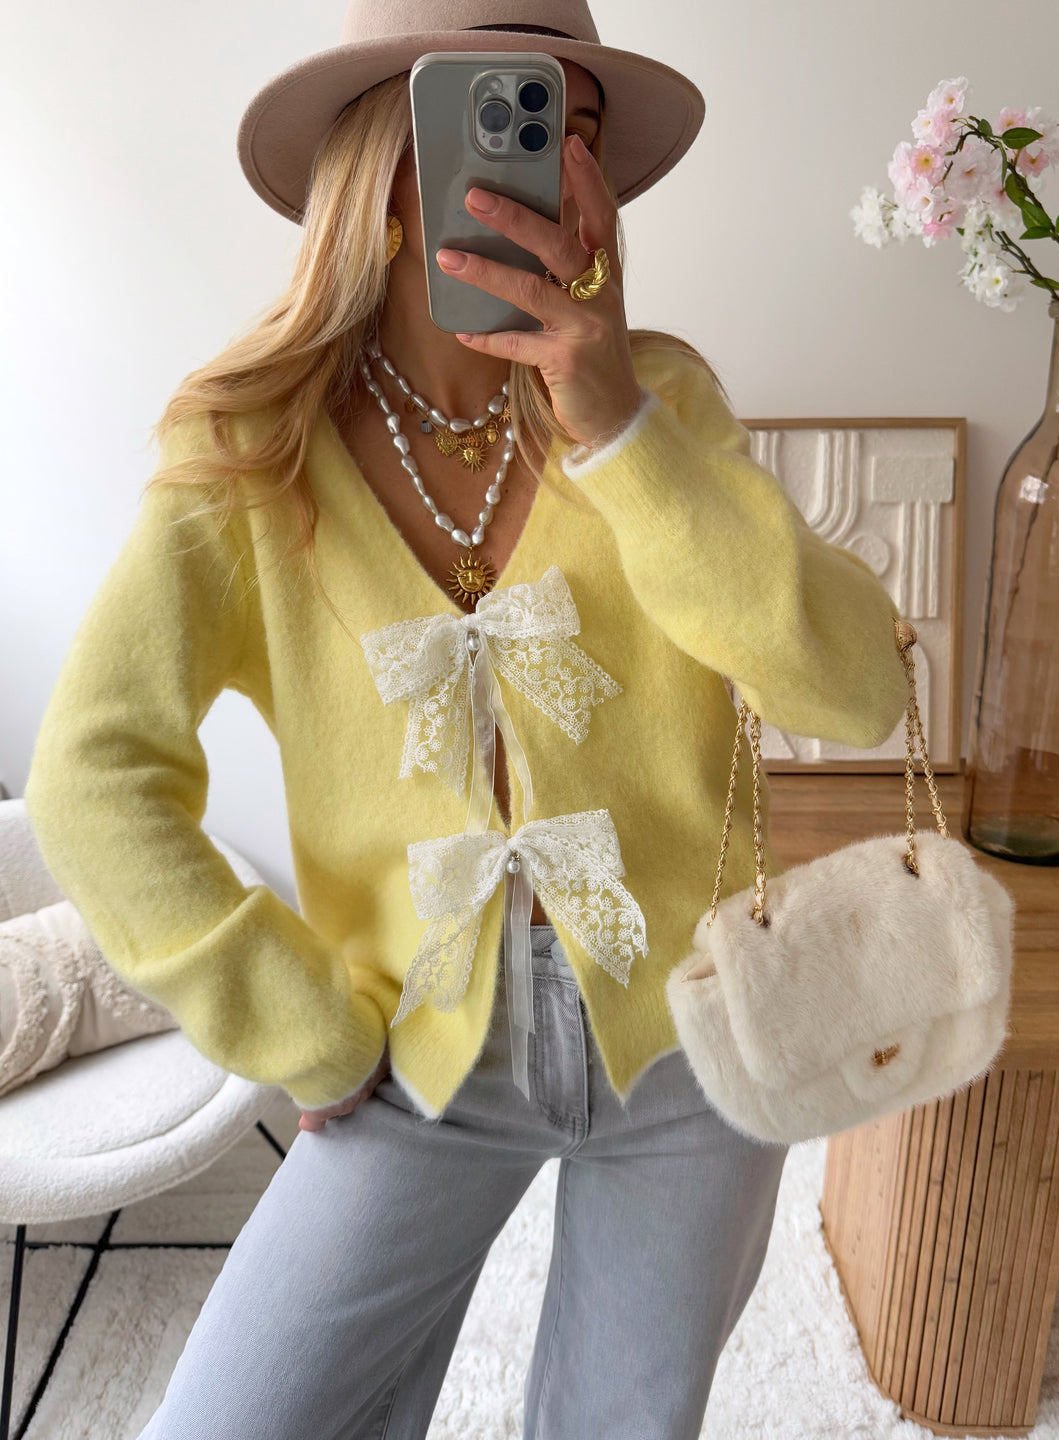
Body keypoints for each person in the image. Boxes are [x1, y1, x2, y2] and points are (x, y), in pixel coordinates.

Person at [23, 2, 911, 1436]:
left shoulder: (661, 401)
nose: (554, 167)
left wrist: (619, 428)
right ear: (392, 170)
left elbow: (855, 690)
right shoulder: (249, 454)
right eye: (509, 121)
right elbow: (91, 779)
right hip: (418, 1048)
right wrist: (301, 1028)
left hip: (693, 1043)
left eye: (577, 131)